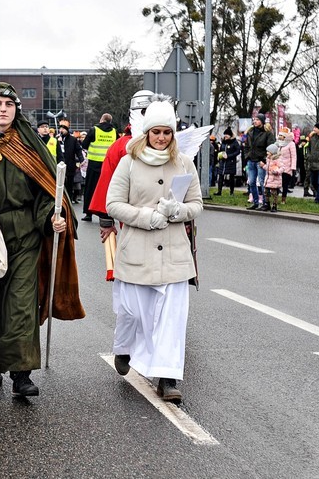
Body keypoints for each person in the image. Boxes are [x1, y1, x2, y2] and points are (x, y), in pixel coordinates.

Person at [0, 82, 84, 398]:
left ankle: (21, 373)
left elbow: (47, 191)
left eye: (9, 104)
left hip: (24, 232)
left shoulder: (30, 146)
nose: (3, 109)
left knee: (21, 303)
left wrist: (50, 217)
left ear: (16, 110)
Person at [106, 98, 203, 404]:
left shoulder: (184, 163)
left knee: (172, 318)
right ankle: (124, 347)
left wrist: (178, 210)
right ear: (146, 133)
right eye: (156, 132)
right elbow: (113, 204)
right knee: (134, 313)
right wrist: (145, 217)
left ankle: (168, 378)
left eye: (167, 132)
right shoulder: (129, 162)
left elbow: (197, 204)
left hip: (174, 255)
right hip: (137, 250)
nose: (162, 138)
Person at [89, 90, 155, 244]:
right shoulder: (121, 146)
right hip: (133, 220)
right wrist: (106, 221)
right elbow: (108, 181)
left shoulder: (167, 143)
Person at [81, 113, 116, 222]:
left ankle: (88, 213)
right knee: (107, 189)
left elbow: (84, 145)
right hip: (108, 164)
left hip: (94, 164)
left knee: (90, 188)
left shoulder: (94, 130)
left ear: (101, 120)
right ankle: (107, 213)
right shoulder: (114, 132)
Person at [244, 113, 275, 211]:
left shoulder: (267, 133)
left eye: (257, 120)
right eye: (254, 119)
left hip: (261, 161)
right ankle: (255, 202)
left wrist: (264, 159)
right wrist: (247, 155)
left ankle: (266, 203)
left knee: (262, 182)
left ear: (262, 121)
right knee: (252, 182)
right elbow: (246, 145)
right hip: (251, 160)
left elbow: (271, 147)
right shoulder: (250, 132)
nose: (255, 121)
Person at [215, 127, 241, 196]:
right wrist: (220, 155)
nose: (225, 136)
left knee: (231, 177)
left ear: (230, 135)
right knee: (220, 176)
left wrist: (229, 156)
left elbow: (238, 151)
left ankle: (231, 192)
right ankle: (219, 191)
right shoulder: (223, 142)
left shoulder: (234, 142)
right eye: (225, 134)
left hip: (231, 162)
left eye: (227, 135)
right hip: (222, 162)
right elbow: (220, 150)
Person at [276, 127, 297, 204]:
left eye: (282, 135)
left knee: (285, 184)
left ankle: (283, 199)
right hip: (279, 166)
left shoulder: (291, 144)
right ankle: (276, 198)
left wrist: (293, 168)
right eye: (280, 135)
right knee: (277, 183)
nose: (280, 137)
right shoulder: (279, 143)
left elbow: (294, 156)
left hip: (287, 167)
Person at [262, 143, 284, 212]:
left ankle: (274, 205)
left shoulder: (277, 159)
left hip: (275, 179)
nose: (267, 153)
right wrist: (263, 166)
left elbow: (282, 168)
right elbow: (268, 169)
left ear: (272, 152)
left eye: (268, 151)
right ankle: (267, 203)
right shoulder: (268, 159)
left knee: (274, 193)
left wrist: (277, 171)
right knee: (266, 192)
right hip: (268, 179)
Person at [305, 123, 319, 204]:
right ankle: (318, 195)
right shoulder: (313, 138)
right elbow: (308, 148)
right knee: (313, 182)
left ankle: (318, 199)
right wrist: (308, 156)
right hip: (312, 164)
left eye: (315, 127)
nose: (314, 129)